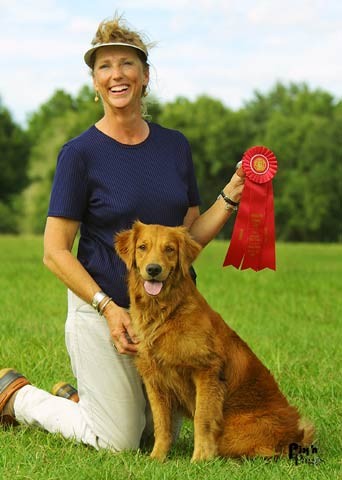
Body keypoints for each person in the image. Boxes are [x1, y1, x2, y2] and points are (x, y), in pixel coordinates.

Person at [0, 15, 245, 451]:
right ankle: (18, 397)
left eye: (127, 63)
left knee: (156, 431)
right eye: (104, 66)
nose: (117, 74)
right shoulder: (79, 154)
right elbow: (54, 252)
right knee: (117, 440)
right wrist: (109, 309)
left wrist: (231, 193)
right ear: (95, 81)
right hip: (101, 310)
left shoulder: (175, 146)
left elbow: (187, 241)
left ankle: (83, 400)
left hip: (167, 314)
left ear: (145, 75)